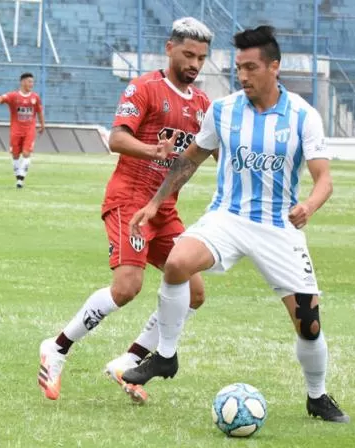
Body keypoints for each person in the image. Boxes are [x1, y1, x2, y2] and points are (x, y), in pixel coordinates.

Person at [120, 25, 350, 423]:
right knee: (177, 263)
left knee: (309, 325)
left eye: (251, 68)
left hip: (278, 227)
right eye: (239, 68)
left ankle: (317, 396)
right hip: (227, 216)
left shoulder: (301, 116)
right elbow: (189, 159)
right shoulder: (223, 111)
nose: (243, 76)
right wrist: (156, 203)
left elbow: (324, 179)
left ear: (274, 67)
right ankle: (167, 357)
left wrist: (309, 206)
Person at [36, 17, 213, 404]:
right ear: (169, 49)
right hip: (129, 200)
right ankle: (58, 347)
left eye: (201, 57)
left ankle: (128, 361)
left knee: (194, 292)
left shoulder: (203, 105)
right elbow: (117, 138)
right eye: (188, 54)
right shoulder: (145, 88)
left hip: (164, 208)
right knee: (127, 288)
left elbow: (209, 152)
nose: (195, 64)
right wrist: (153, 150)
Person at [0, 73, 45, 188]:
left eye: (32, 82)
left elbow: (39, 112)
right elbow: (1, 98)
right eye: (29, 81)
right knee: (15, 155)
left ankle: (21, 179)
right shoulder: (13, 96)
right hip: (16, 130)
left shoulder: (35, 97)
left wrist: (42, 125)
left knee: (26, 153)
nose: (32, 84)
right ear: (22, 82)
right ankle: (18, 176)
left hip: (29, 130)